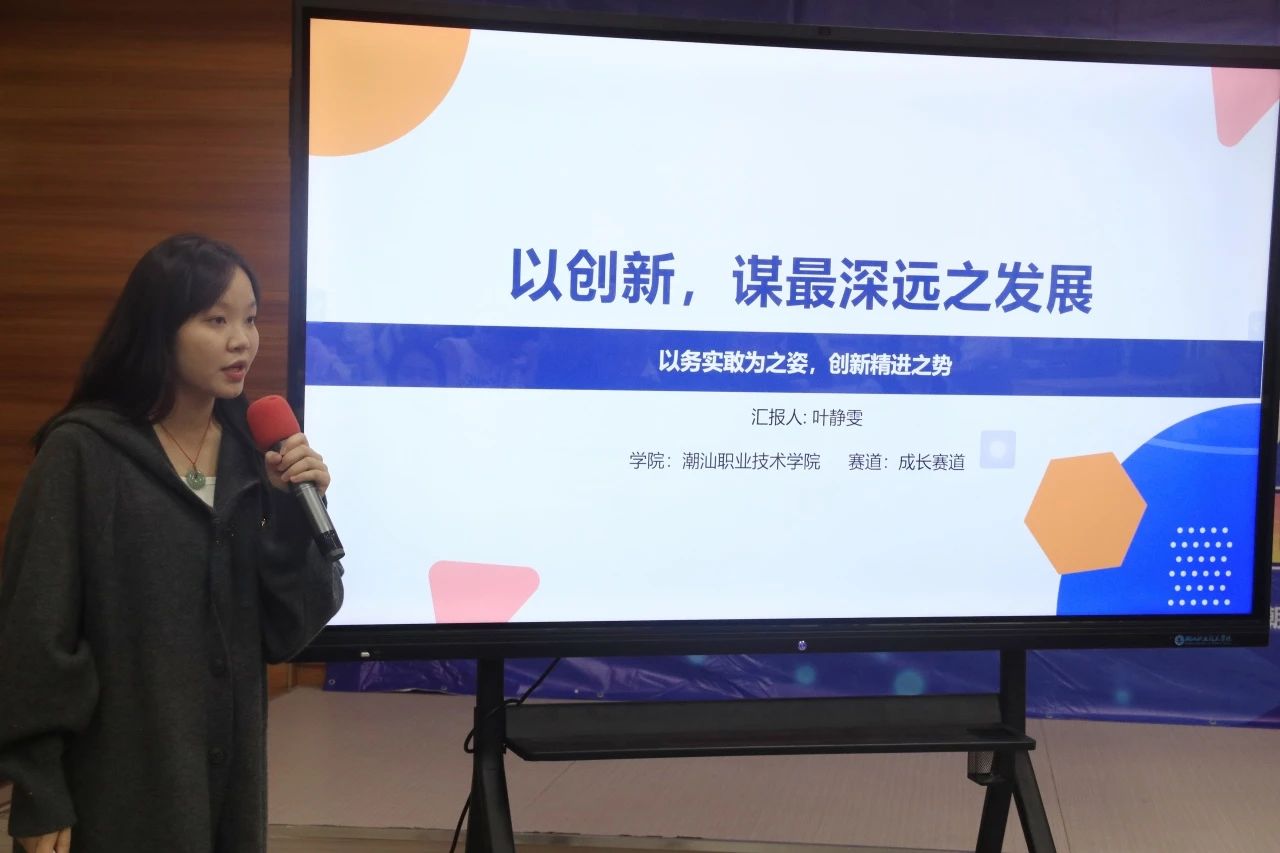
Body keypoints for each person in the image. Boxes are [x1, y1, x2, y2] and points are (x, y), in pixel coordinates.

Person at [0, 234, 345, 853]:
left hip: (230, 790)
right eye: (216, 320)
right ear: (159, 329)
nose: (242, 341)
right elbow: (35, 632)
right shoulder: (83, 454)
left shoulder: (253, 457)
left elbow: (286, 633)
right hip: (117, 789)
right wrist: (38, 786)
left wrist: (295, 520)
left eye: (249, 319)